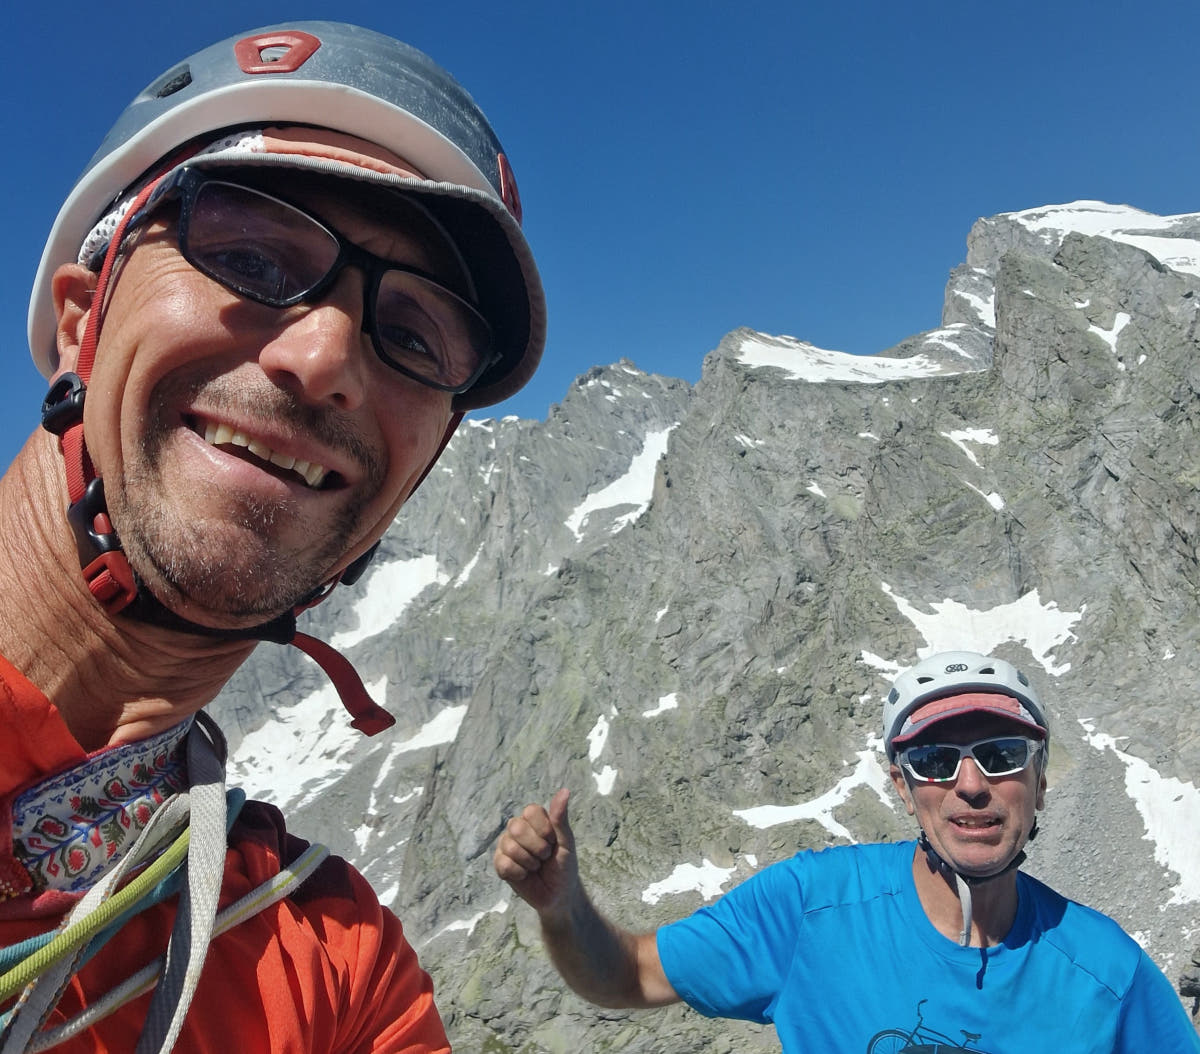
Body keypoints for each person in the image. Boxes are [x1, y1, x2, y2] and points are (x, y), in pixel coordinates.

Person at [1, 20, 545, 1052]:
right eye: (250, 256)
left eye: (415, 337)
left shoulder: (338, 974)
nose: (327, 356)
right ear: (80, 320)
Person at [494, 651, 1200, 1052]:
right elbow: (627, 976)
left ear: (1040, 782)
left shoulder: (1110, 973)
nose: (970, 785)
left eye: (1002, 755)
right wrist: (562, 908)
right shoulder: (810, 907)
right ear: (903, 788)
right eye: (934, 761)